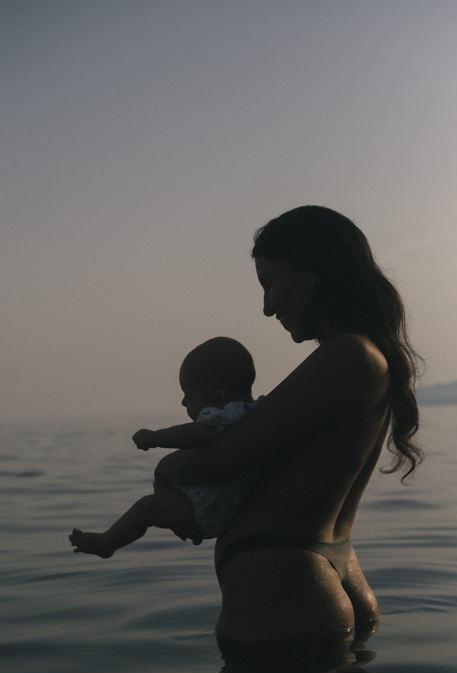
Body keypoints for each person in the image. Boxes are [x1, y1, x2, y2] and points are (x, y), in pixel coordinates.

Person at [152, 206, 423, 644]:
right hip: (317, 575)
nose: (266, 307)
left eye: (270, 283)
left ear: (312, 273)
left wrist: (166, 473)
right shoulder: (367, 358)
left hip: (285, 586)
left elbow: (219, 460)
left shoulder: (347, 355)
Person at [69, 337, 262, 557]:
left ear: (219, 399)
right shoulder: (255, 413)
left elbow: (198, 434)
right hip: (227, 507)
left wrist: (156, 437)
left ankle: (107, 542)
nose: (183, 403)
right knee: (154, 506)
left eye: (188, 397)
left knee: (145, 509)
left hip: (201, 505)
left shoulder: (224, 416)